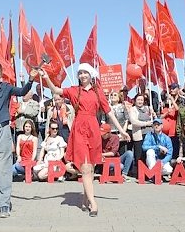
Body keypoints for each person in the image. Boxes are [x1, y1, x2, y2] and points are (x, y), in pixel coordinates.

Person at [41, 63, 129, 217]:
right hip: (79, 130)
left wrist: (121, 130)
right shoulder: (75, 90)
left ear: (90, 75)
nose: (82, 76)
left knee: (91, 167)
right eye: (80, 73)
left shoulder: (97, 91)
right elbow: (56, 90)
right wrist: (47, 77)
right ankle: (93, 203)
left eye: (85, 73)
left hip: (93, 130)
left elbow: (109, 111)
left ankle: (84, 198)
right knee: (86, 167)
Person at [0, 63, 38, 218]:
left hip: (2, 130)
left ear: (1, 75)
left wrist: (30, 79)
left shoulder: (7, 88)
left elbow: (22, 91)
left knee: (3, 168)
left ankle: (4, 204)